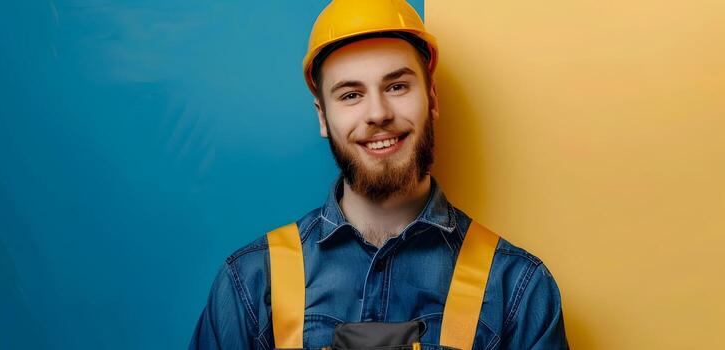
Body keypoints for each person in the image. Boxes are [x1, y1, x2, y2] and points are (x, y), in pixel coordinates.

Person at [190, 1, 569, 349]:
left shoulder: (517, 290)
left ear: (432, 99)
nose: (378, 113)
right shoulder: (252, 284)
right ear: (323, 116)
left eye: (397, 86)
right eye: (351, 95)